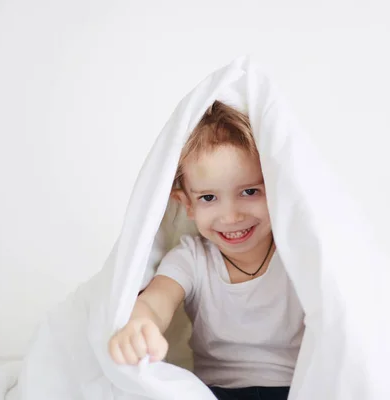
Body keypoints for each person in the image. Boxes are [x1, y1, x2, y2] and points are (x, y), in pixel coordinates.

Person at [108, 101, 305, 400]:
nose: (231, 216)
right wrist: (140, 323)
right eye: (209, 197)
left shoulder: (296, 253)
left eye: (250, 191)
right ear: (186, 203)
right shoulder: (192, 258)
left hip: (296, 390)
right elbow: (157, 300)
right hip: (213, 393)